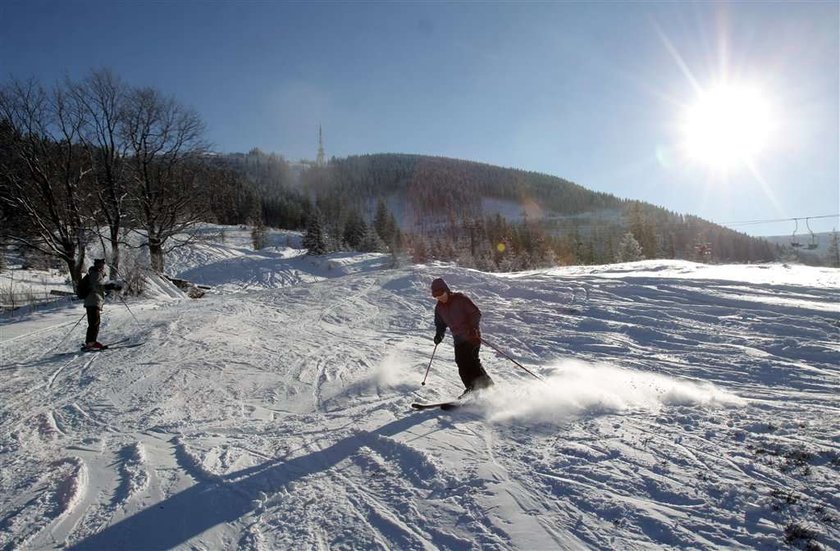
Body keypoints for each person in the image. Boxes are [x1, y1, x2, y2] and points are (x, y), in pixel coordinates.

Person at [431, 277, 493, 397]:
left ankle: (489, 388)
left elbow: (475, 313)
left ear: (446, 290)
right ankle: (471, 387)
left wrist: (473, 327)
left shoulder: (460, 299)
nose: (439, 297)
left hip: (471, 336)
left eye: (440, 293)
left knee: (472, 362)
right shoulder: (439, 308)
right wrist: (439, 334)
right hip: (458, 339)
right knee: (461, 362)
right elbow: (440, 324)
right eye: (436, 295)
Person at [83, 258, 122, 350]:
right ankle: (91, 343)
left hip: (91, 301)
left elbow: (97, 286)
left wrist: (109, 287)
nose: (102, 267)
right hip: (93, 301)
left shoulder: (94, 273)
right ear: (98, 265)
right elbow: (96, 286)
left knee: (93, 323)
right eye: (101, 265)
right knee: (94, 323)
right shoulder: (96, 273)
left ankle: (89, 342)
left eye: (102, 265)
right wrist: (109, 287)